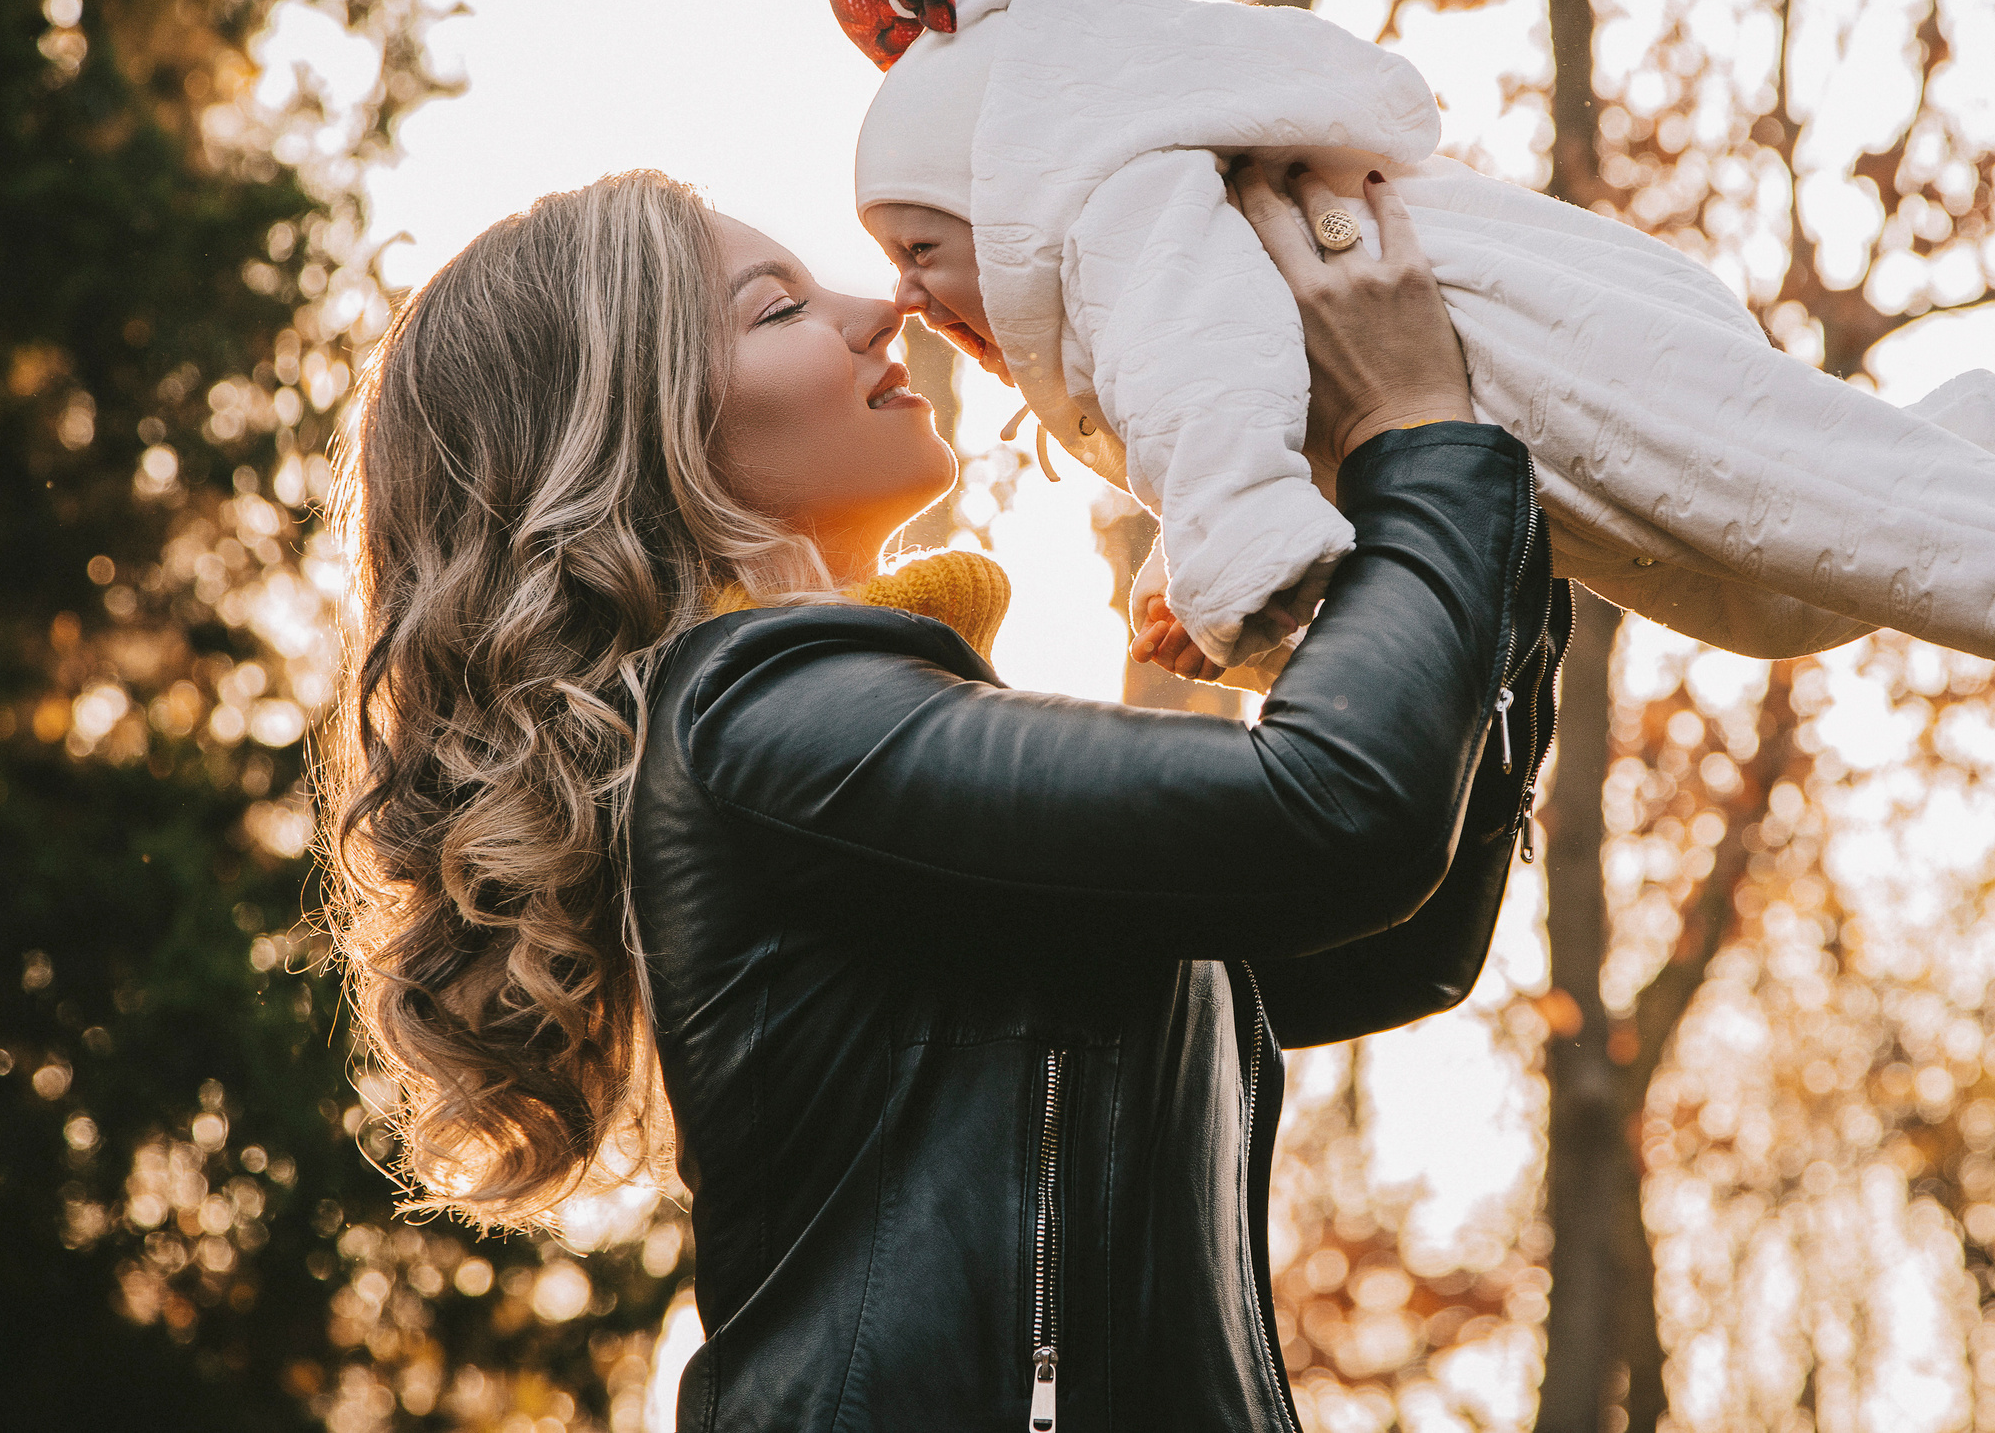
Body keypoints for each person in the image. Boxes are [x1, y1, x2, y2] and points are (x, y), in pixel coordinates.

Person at [323, 166, 1567, 1431]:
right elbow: (1338, 816)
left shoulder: (824, 738)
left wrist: (1474, 569)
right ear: (636, 431)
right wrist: (1421, 443)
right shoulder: (760, 717)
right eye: (778, 310)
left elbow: (1381, 951)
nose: (880, 311)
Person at [830, 0, 1995, 768]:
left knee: (1772, 492)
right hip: (1505, 407)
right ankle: (1986, 446)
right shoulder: (1116, 282)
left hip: (1526, 335)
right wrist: (1233, 588)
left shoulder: (1125, 215)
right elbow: (1302, 441)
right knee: (1769, 591)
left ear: (1009, 186)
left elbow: (1209, 372)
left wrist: (1234, 551)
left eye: (919, 246)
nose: (906, 294)